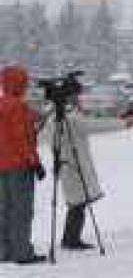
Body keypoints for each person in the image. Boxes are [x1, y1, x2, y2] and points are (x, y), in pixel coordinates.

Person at [48, 81, 104, 250]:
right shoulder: (67, 117)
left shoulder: (64, 115)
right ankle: (71, 239)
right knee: (77, 203)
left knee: (78, 203)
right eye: (75, 96)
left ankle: (71, 237)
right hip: (72, 163)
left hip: (71, 161)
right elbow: (84, 127)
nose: (78, 98)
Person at [0, 65, 47, 265]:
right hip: (19, 166)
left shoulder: (2, 104)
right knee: (21, 210)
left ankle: (4, 250)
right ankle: (22, 252)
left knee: (4, 208)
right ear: (19, 83)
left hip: (1, 166)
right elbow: (22, 138)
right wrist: (35, 162)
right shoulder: (18, 106)